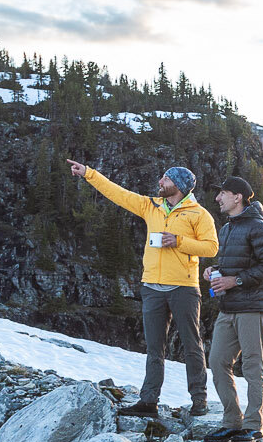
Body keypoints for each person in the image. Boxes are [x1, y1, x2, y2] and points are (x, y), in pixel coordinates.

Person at [67, 159, 219, 417]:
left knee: (192, 345)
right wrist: (89, 174)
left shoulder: (199, 214)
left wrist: (179, 241)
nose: (160, 182)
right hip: (151, 286)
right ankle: (148, 401)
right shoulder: (151, 206)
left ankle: (199, 402)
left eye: (166, 179)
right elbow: (119, 194)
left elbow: (211, 247)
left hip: (183, 287)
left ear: (179, 186)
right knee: (154, 347)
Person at [202, 175, 263, 442]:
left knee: (252, 365)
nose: (218, 198)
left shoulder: (259, 227)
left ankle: (253, 425)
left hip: (252, 305)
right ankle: (232, 422)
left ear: (238, 197)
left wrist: (235, 280)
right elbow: (234, 263)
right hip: (229, 306)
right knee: (217, 361)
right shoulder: (226, 229)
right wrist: (214, 270)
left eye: (223, 193)